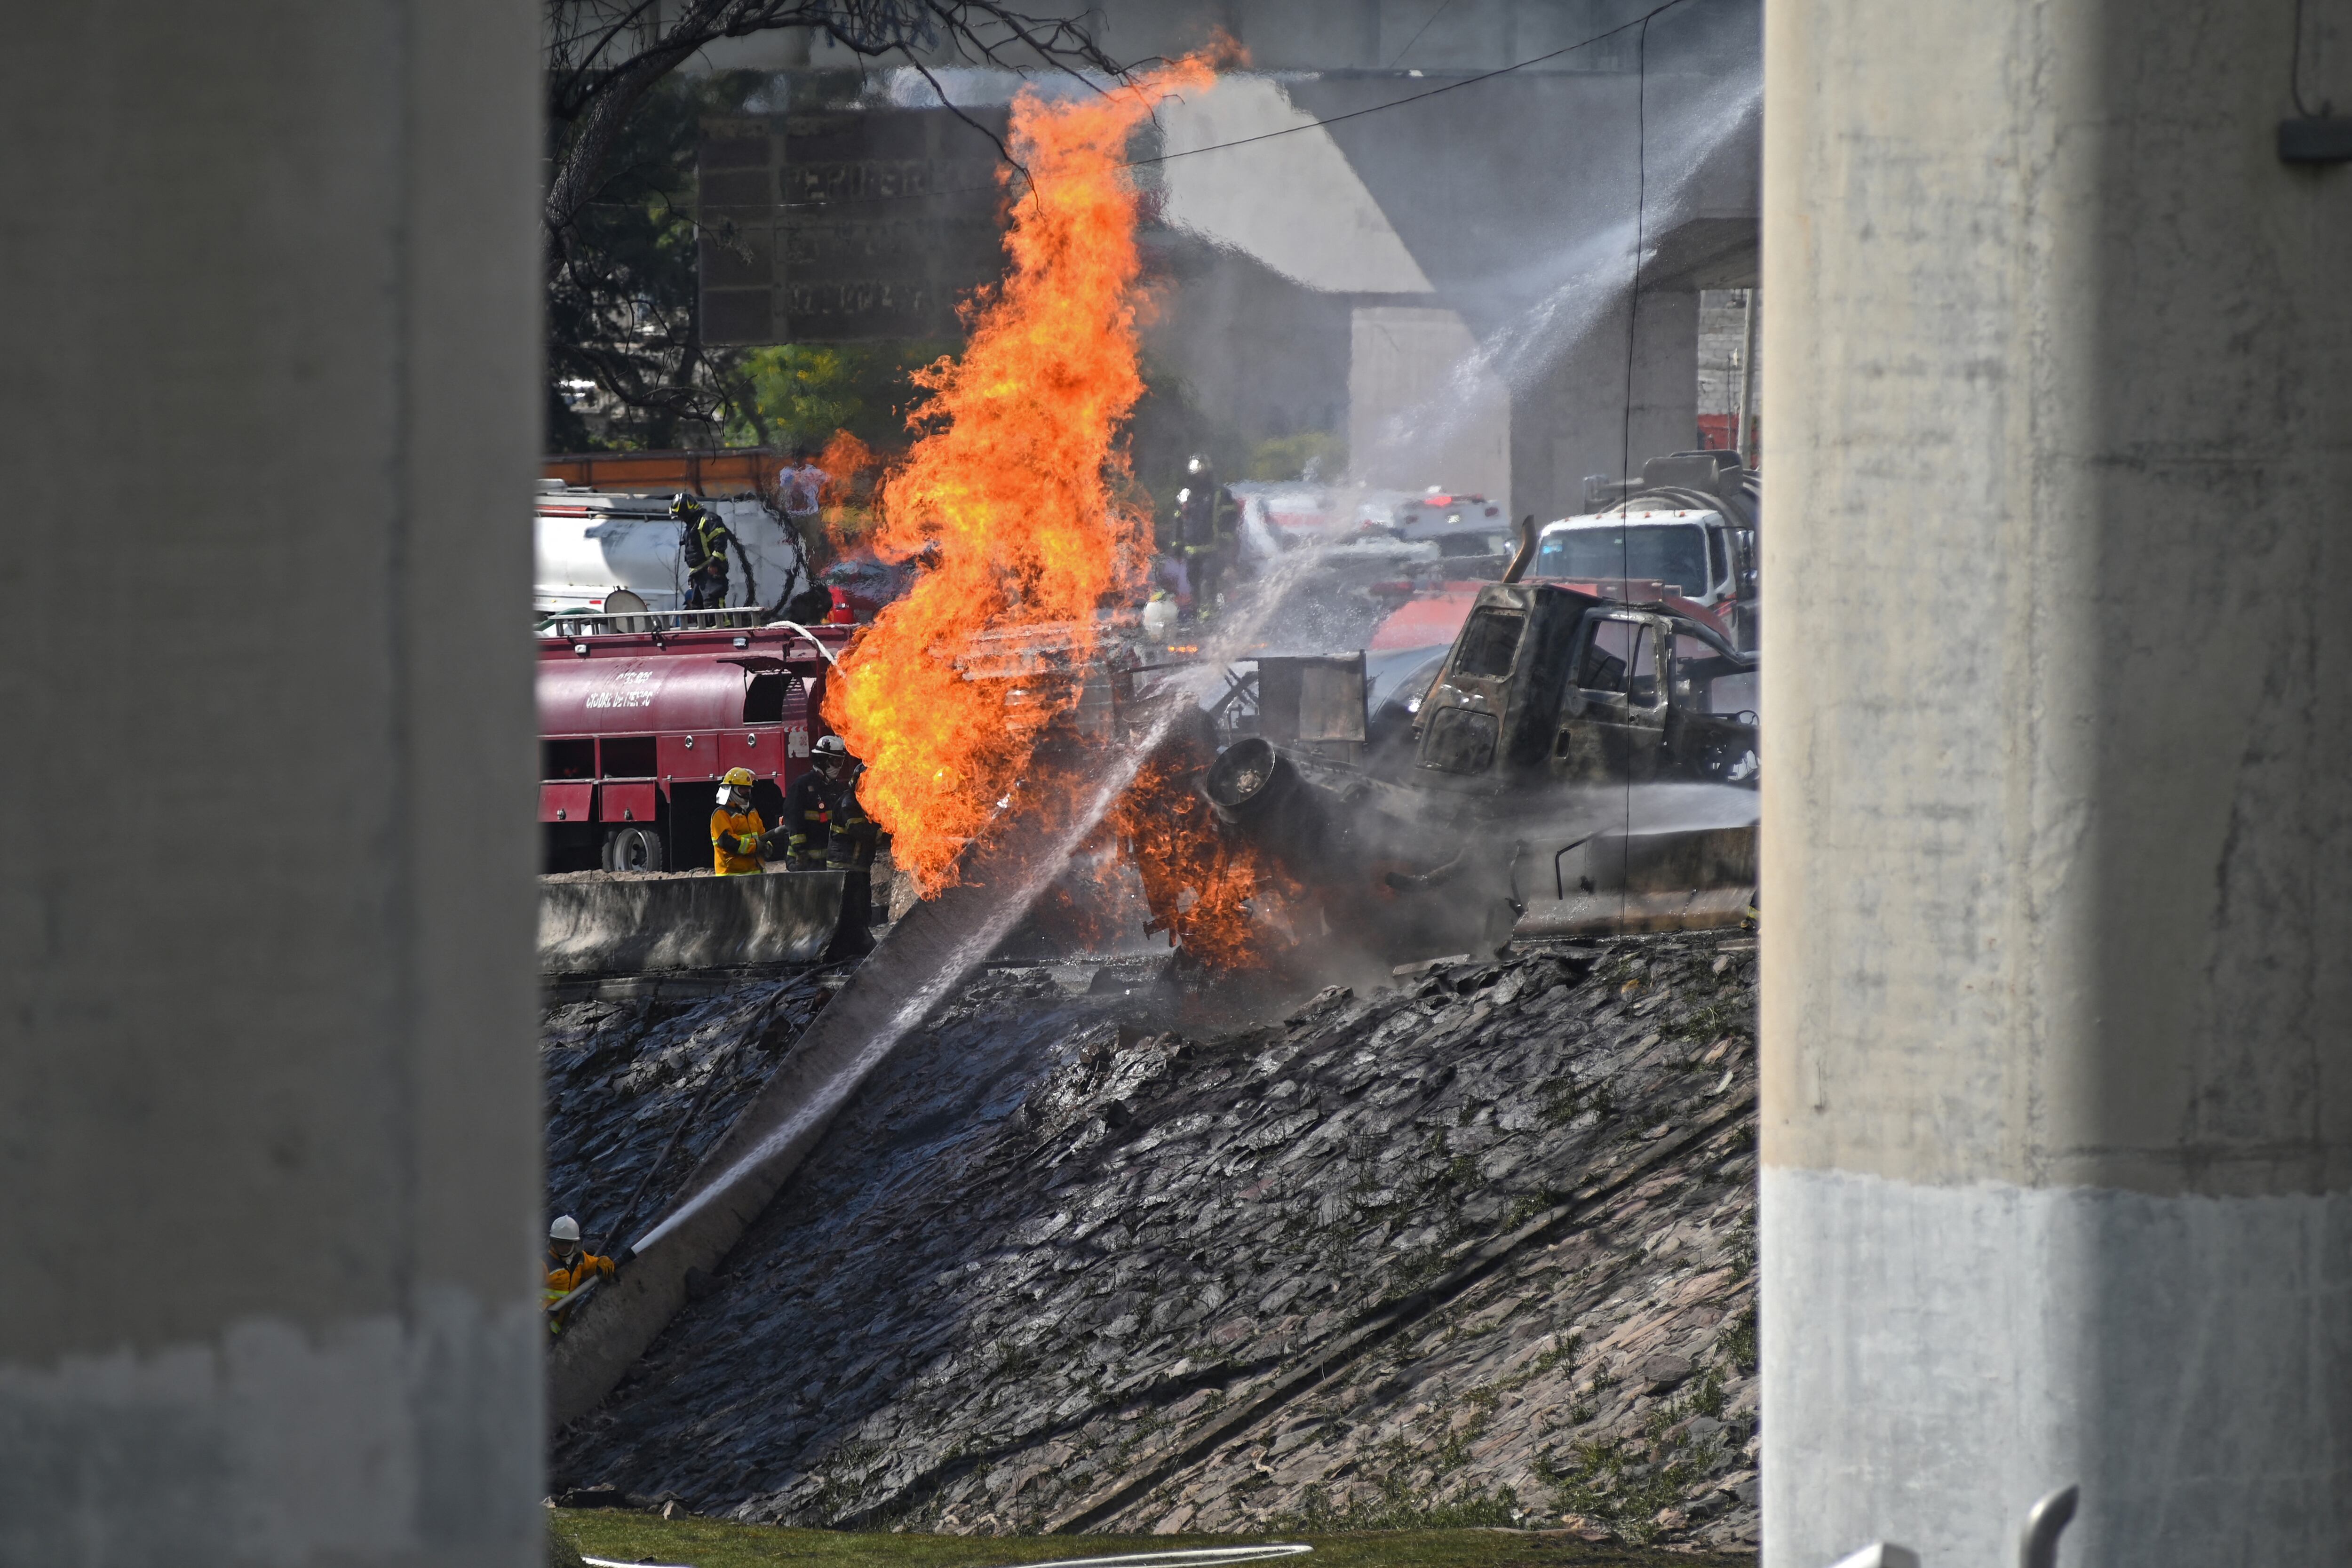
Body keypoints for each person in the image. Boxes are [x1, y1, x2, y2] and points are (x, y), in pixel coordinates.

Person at [1175, 455, 1236, 619]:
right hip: (1191, 550)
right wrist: (1177, 544)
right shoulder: (1185, 495)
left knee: (1209, 581)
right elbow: (1179, 521)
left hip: (1213, 548)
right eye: (1197, 474)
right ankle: (1199, 612)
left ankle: (1210, 614)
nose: (1200, 478)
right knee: (1193, 582)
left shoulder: (1220, 494)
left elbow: (1230, 518)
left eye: (1203, 474)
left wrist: (1225, 539)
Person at [544, 1216, 621, 1330]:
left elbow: (591, 1265)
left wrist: (602, 1261)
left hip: (559, 1326)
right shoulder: (543, 1265)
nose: (564, 1247)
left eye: (568, 1244)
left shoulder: (578, 1258)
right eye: (560, 1243)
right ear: (553, 1242)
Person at [673, 493, 734, 611]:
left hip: (711, 570)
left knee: (712, 602)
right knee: (697, 606)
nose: (680, 518)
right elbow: (694, 554)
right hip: (699, 574)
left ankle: (722, 628)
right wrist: (692, 574)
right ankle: (708, 628)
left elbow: (720, 540)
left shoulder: (708, 519)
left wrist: (714, 562)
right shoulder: (691, 526)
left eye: (680, 515)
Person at [709, 765, 769, 876]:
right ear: (731, 790)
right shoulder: (721, 815)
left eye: (749, 788)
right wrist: (756, 846)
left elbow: (762, 835)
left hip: (757, 875)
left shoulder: (752, 812)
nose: (747, 792)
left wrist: (768, 845)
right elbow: (727, 842)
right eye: (743, 789)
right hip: (731, 877)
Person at [780, 448, 826, 523]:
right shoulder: (787, 472)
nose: (801, 461)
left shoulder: (813, 472)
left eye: (802, 458)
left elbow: (827, 479)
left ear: (806, 458)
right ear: (794, 459)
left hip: (811, 514)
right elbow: (784, 486)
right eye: (798, 458)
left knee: (810, 534)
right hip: (793, 514)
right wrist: (796, 478)